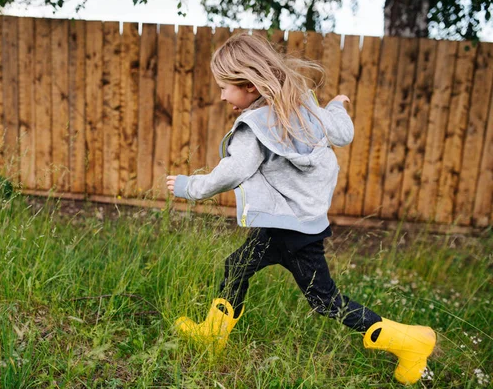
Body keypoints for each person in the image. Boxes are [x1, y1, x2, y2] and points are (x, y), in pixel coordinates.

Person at [165, 33, 436, 385]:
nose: (221, 96)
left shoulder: (254, 127)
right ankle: (213, 334)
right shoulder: (303, 109)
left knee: (325, 301)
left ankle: (413, 341)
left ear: (248, 84)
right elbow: (343, 132)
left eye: (224, 88)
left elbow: (234, 170)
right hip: (291, 222)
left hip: (293, 231)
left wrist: (190, 186)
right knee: (237, 266)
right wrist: (336, 106)